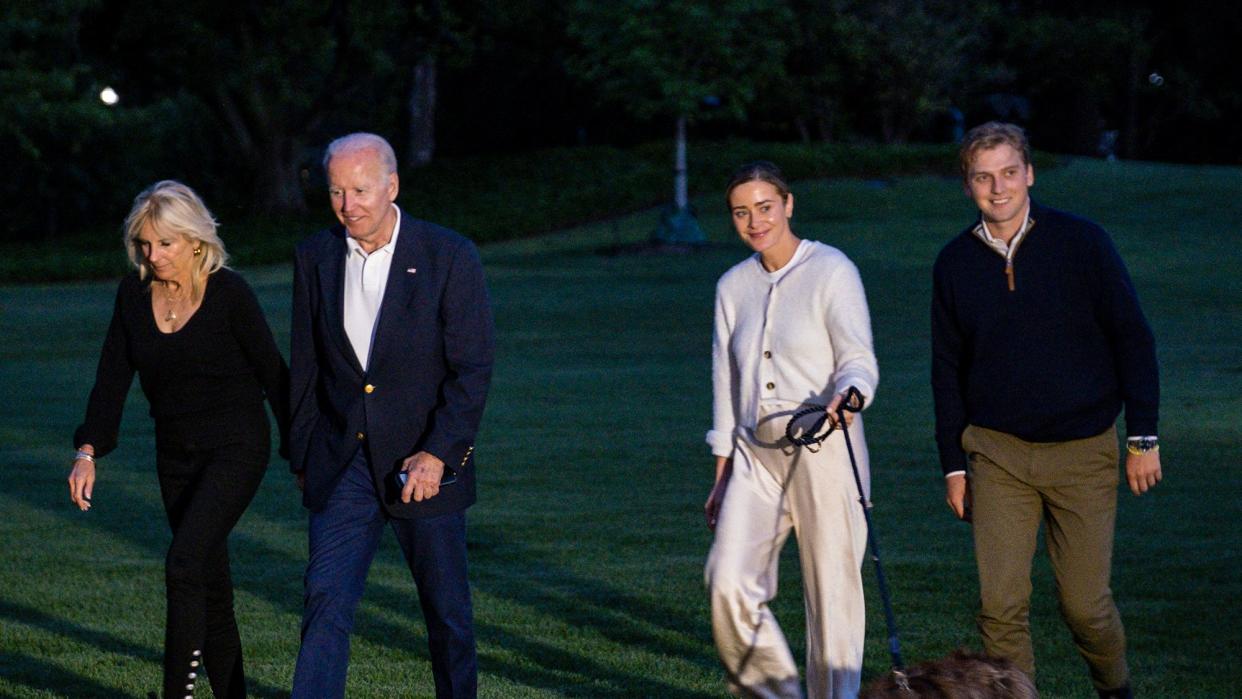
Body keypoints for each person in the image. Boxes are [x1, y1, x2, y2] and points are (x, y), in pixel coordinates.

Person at [931, 122, 1162, 699]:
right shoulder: (954, 263)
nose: (998, 187)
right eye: (983, 177)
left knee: (1085, 607)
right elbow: (945, 369)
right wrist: (953, 465)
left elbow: (1132, 338)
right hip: (997, 451)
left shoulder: (1082, 243)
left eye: (1009, 172)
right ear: (968, 186)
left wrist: (1144, 437)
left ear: (1029, 174)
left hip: (1083, 449)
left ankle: (1115, 689)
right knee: (1000, 607)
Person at [288, 132, 494, 698]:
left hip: (423, 466)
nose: (348, 205)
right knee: (325, 602)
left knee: (446, 614)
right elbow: (306, 367)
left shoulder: (448, 255)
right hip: (343, 465)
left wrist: (438, 453)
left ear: (392, 186)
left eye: (360, 190)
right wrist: (303, 454)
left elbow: (471, 368)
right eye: (336, 192)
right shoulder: (315, 256)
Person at [67, 180, 290, 699]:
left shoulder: (230, 294)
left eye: (164, 243)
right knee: (209, 585)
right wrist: (87, 452)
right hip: (176, 458)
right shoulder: (132, 295)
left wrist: (300, 453)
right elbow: (111, 380)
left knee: (183, 562)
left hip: (235, 448)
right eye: (144, 244)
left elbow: (275, 375)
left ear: (194, 240)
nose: (153, 255)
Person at [704, 161, 880, 698]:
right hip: (756, 458)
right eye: (742, 212)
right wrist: (721, 474)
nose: (755, 221)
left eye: (764, 207)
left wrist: (848, 398)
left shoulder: (832, 270)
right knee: (726, 582)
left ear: (788, 204)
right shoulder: (732, 286)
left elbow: (858, 359)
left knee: (833, 600)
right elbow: (725, 389)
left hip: (826, 450)